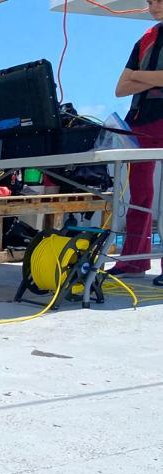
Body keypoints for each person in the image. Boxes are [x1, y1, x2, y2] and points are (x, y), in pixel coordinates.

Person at [111, 0, 163, 286]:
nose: (152, 5)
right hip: (141, 124)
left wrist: (138, 77)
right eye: (149, 1)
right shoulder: (144, 40)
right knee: (139, 195)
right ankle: (133, 260)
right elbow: (121, 88)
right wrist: (155, 80)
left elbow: (130, 80)